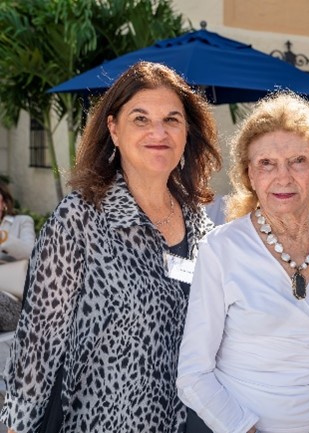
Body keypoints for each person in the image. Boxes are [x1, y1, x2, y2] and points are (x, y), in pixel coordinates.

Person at [0, 61, 221, 433]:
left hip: (189, 422)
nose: (158, 132)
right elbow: (37, 346)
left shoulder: (203, 227)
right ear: (114, 129)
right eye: (140, 119)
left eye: (172, 119)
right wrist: (15, 427)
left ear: (187, 133)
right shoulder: (80, 219)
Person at [176, 92, 309, 433]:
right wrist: (242, 427)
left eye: (298, 160)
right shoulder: (221, 249)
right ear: (249, 176)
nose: (283, 177)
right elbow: (193, 372)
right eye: (267, 164)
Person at [0, 182, 35, 330]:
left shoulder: (22, 222)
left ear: (4, 203)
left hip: (14, 301)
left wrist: (3, 237)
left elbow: (31, 251)